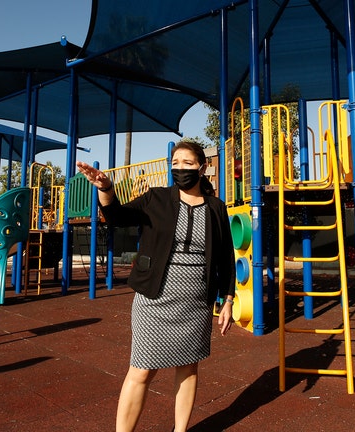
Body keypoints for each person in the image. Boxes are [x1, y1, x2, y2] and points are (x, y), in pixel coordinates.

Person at [76, 140, 236, 432]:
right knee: (142, 369)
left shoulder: (216, 207)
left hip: (196, 301)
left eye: (187, 163)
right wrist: (106, 189)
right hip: (154, 296)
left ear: (202, 168)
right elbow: (118, 217)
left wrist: (227, 299)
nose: (180, 168)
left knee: (188, 367)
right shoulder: (156, 199)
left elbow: (226, 256)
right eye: (175, 162)